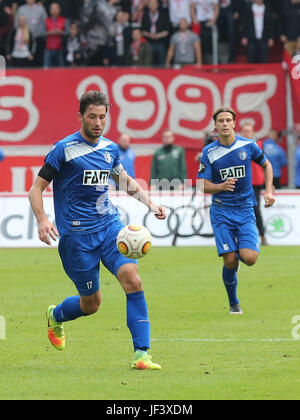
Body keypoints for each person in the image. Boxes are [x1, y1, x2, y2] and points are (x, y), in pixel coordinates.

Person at [28, 90, 166, 370]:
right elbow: (36, 188)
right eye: (92, 116)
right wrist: (42, 220)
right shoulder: (63, 149)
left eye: (103, 117)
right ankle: (56, 315)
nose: (98, 122)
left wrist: (150, 202)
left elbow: (124, 180)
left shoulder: (110, 149)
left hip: (109, 227)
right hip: (76, 239)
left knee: (133, 279)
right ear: (80, 116)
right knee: (91, 304)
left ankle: (142, 354)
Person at [197, 107, 275, 315]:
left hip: (245, 209)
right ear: (215, 127)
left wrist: (268, 191)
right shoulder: (209, 152)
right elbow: (201, 185)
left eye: (228, 120)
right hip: (222, 211)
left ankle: (240, 252)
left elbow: (266, 165)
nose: (224, 123)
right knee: (230, 260)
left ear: (233, 124)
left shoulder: (247, 145)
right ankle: (233, 303)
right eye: (220, 120)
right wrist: (220, 186)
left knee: (249, 258)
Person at [241, 122, 267, 246]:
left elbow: (267, 164)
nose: (247, 133)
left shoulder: (258, 145)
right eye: (245, 131)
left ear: (252, 132)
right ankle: (245, 237)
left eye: (248, 131)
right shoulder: (238, 146)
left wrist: (268, 184)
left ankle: (262, 235)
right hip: (242, 182)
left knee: (255, 208)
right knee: (242, 209)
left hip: (255, 182)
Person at [15, 0, 47, 67]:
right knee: (25, 61)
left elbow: (45, 23)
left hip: (38, 38)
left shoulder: (41, 9)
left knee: (38, 61)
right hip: (24, 39)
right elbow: (16, 24)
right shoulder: (21, 9)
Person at [43, 2, 66, 68]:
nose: (54, 10)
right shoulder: (46, 20)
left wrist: (61, 32)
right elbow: (41, 33)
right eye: (52, 8)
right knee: (46, 68)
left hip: (60, 48)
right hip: (48, 48)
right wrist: (49, 32)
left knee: (61, 69)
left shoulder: (63, 20)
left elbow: (68, 32)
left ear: (59, 10)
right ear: (50, 10)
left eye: (56, 8)